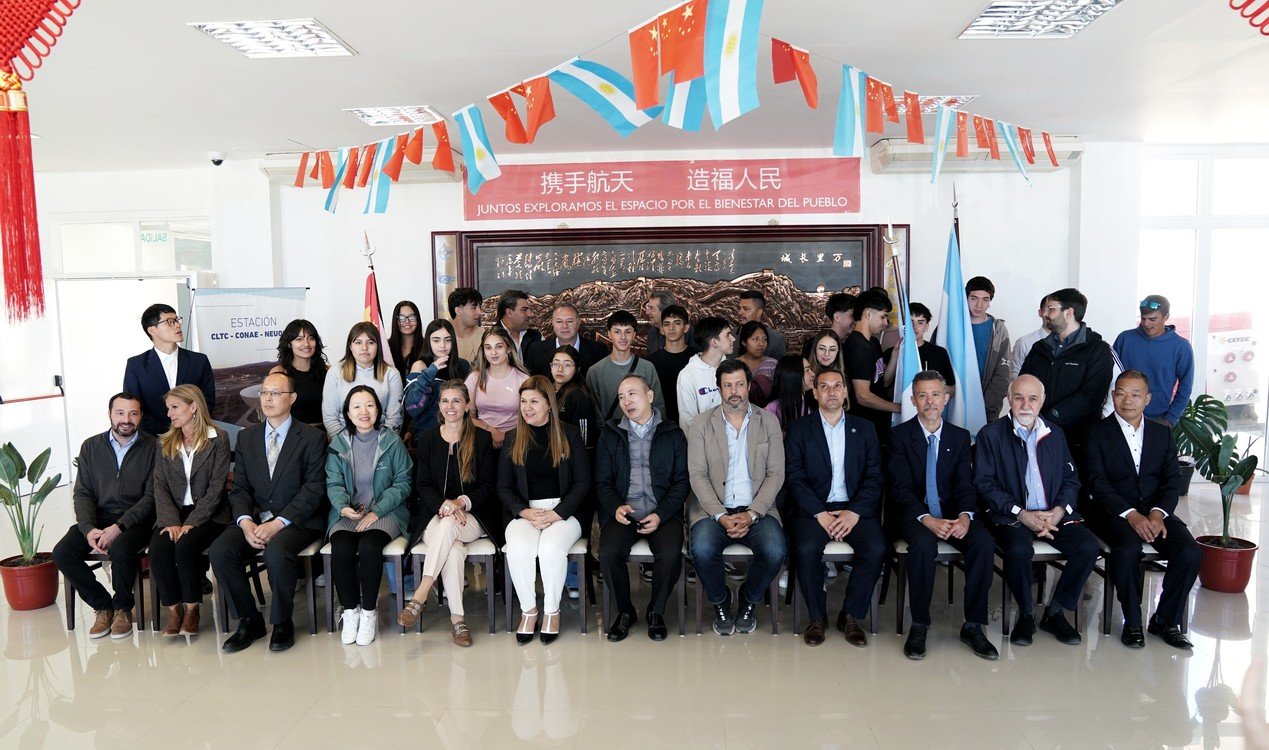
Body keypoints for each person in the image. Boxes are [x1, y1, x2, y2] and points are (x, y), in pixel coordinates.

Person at [975, 374, 1098, 646]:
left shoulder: (1055, 434)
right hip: (1012, 517)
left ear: (1042, 401)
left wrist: (1058, 512)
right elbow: (985, 484)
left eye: (1032, 398)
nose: (1025, 405)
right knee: (1019, 551)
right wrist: (1021, 513)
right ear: (1009, 400)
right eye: (1018, 397)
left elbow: (1070, 479)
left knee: (1088, 547)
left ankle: (1055, 612)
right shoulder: (991, 435)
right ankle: (1027, 615)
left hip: (1053, 516)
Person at [210, 372, 328, 653]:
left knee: (277, 552)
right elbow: (239, 488)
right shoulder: (248, 438)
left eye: (276, 393)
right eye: (264, 393)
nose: (268, 399)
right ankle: (250, 620)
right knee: (221, 551)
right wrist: (245, 521)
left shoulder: (312, 437)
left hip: (298, 520)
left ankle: (282, 622)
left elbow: (314, 489)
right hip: (256, 519)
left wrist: (278, 523)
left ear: (292, 398)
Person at [1083, 370, 1199, 649]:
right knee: (1127, 550)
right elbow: (1096, 482)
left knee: (1190, 552)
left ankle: (1165, 620)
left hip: (1155, 512)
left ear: (1147, 399)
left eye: (1135, 394)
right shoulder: (1096, 432)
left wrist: (1158, 514)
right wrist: (1131, 515)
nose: (1127, 400)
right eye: (1121, 393)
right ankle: (1132, 622)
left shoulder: (1162, 433)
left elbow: (1172, 480)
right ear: (1113, 396)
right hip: (1113, 512)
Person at [888, 371, 996, 660]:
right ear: (913, 400)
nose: (929, 401)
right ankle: (920, 624)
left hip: (951, 514)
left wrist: (964, 517)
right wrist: (927, 519)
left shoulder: (960, 437)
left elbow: (964, 484)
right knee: (923, 545)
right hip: (913, 515)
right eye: (922, 395)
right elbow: (899, 489)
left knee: (983, 542)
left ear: (946, 399)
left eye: (935, 394)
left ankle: (973, 625)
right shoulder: (898, 436)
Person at [784, 369, 885, 648]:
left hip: (854, 508)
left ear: (845, 392)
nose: (831, 392)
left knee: (876, 548)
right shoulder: (798, 429)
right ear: (814, 393)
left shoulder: (865, 428)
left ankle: (851, 615)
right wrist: (820, 514)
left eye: (837, 386)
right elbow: (794, 478)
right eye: (824, 387)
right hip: (813, 510)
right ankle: (817, 617)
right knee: (805, 549)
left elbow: (875, 477)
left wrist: (854, 512)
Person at [687, 360, 786, 637]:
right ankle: (720, 601)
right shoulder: (701, 424)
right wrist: (721, 515)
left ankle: (749, 599)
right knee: (703, 549)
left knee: (775, 550)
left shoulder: (769, 422)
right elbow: (697, 475)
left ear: (749, 386)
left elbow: (776, 474)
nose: (734, 391)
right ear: (719, 389)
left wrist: (752, 513)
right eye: (728, 385)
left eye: (739, 384)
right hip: (712, 511)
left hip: (758, 510)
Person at [399, 381, 499, 646]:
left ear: (467, 406)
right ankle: (458, 621)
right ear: (439, 406)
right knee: (452, 548)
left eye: (457, 401)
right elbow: (423, 484)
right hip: (437, 515)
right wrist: (445, 506)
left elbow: (488, 485)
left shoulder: (481, 439)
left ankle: (420, 593)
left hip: (472, 517)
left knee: (448, 528)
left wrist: (461, 503)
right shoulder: (428, 438)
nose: (450, 407)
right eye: (445, 401)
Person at [53, 392, 157, 640]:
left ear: (141, 416)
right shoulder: (91, 446)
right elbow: (83, 493)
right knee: (62, 552)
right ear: (110, 414)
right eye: (120, 412)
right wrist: (89, 528)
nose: (126, 419)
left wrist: (119, 526)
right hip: (98, 518)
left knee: (121, 549)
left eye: (133, 413)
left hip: (136, 520)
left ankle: (123, 608)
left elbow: (151, 498)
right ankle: (103, 606)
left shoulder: (154, 447)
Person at [595, 374, 690, 642]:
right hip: (624, 512)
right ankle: (625, 611)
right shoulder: (610, 434)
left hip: (662, 512)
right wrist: (615, 507)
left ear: (649, 396)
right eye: (621, 396)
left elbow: (682, 482)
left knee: (671, 552)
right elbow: (601, 481)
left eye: (632, 393)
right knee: (608, 551)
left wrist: (661, 514)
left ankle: (656, 611)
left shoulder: (673, 434)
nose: (626, 401)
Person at [499, 376, 591, 645]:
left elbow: (583, 482)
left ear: (549, 404)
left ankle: (552, 611)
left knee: (550, 549)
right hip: (526, 512)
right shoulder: (512, 437)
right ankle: (529, 610)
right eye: (523, 401)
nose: (527, 407)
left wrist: (558, 512)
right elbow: (503, 487)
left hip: (565, 512)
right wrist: (524, 512)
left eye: (534, 401)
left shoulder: (570, 433)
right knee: (517, 548)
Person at [325, 386, 412, 647]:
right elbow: (334, 483)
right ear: (348, 414)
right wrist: (343, 507)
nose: (364, 412)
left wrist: (376, 511)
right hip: (348, 512)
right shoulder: (338, 444)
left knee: (369, 546)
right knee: (341, 547)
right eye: (357, 407)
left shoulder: (392, 442)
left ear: (378, 409)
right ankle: (350, 612)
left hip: (386, 512)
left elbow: (403, 482)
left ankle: (369, 612)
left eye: (370, 405)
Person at [149, 385, 230, 638]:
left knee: (185, 547)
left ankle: (192, 608)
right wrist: (171, 520)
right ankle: (174, 609)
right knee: (159, 550)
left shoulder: (218, 438)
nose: (170, 414)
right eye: (168, 408)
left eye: (175, 407)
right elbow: (159, 485)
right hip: (172, 512)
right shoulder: (165, 441)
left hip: (209, 513)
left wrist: (192, 522)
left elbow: (217, 488)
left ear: (193, 407)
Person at [1020, 288, 1114, 451]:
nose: (1045, 314)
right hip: (1038, 436)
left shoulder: (1098, 350)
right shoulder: (1039, 348)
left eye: (1051, 309)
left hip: (1079, 441)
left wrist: (1048, 417)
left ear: (1068, 313)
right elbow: (1023, 383)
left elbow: (1091, 396)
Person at [123, 303, 215, 435]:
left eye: (177, 320)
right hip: (154, 441)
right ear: (153, 330)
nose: (178, 325)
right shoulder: (136, 365)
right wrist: (169, 433)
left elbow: (207, 402)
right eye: (170, 322)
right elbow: (134, 408)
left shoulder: (199, 361)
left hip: (194, 436)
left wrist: (188, 428)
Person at [1112, 295, 1194, 426]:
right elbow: (1110, 377)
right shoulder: (1125, 339)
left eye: (1152, 319)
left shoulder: (1181, 347)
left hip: (1159, 419)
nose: (1146, 323)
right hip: (1122, 416)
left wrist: (1170, 418)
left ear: (1166, 317)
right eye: (1143, 318)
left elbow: (1186, 386)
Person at [322, 322, 404, 439]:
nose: (364, 348)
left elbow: (395, 418)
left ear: (378, 346)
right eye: (358, 342)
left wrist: (382, 444)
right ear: (350, 346)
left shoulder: (391, 374)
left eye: (370, 342)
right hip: (344, 441)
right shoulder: (335, 373)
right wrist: (344, 445)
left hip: (382, 441)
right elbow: (330, 417)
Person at [586, 310, 666, 422]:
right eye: (617, 332)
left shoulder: (648, 367)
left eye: (627, 332)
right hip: (610, 433)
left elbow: (658, 406)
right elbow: (593, 412)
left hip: (643, 432)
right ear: (609, 334)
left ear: (634, 335)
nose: (623, 337)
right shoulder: (595, 371)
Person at [844, 290, 900, 445]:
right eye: (882, 316)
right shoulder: (857, 346)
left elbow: (884, 381)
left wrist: (895, 353)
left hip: (877, 426)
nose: (886, 322)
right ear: (868, 314)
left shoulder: (873, 343)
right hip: (862, 427)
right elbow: (863, 396)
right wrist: (897, 408)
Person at [464, 327, 530, 450]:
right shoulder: (474, 378)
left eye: (499, 347)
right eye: (488, 348)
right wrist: (492, 432)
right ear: (483, 351)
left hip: (515, 441)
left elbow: (529, 417)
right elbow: (467, 416)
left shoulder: (523, 379)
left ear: (509, 349)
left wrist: (507, 437)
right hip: (482, 438)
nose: (493, 353)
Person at [403, 319, 472, 434]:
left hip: (460, 432)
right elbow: (412, 408)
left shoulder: (463, 365)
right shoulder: (420, 366)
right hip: (427, 435)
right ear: (428, 342)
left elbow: (470, 404)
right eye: (436, 340)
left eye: (448, 340)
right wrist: (431, 371)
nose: (442, 345)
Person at [965, 276, 1011, 422]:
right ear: (965, 298)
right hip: (953, 405)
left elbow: (1003, 372)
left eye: (985, 299)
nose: (979, 305)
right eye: (974, 298)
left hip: (987, 409)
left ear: (990, 302)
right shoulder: (949, 327)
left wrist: (985, 405)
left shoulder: (999, 330)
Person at [677, 316, 733, 431]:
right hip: (703, 444)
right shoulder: (688, 375)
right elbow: (688, 421)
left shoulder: (733, 369)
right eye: (727, 335)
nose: (733, 339)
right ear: (714, 342)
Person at [270, 319, 329, 428]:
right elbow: (273, 411)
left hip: (326, 435)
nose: (306, 344)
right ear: (289, 343)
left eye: (311, 338)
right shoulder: (279, 373)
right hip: (293, 434)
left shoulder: (328, 371)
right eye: (299, 339)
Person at [524, 302, 606, 378]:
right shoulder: (536, 350)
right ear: (552, 323)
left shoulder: (599, 351)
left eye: (570, 321)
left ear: (578, 322)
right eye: (559, 321)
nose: (564, 326)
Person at [644, 304, 695, 424]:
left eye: (677, 323)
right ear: (661, 329)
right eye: (667, 324)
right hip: (661, 424)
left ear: (686, 327)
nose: (671, 328)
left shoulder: (697, 358)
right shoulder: (651, 362)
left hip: (694, 423)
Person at [550, 345, 601, 450]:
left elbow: (584, 440)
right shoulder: (546, 390)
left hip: (570, 456)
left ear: (577, 369)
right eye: (556, 364)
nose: (560, 369)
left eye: (567, 365)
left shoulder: (578, 396)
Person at [907, 303, 955, 397]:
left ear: (927, 327)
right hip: (900, 408)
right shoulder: (893, 352)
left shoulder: (939, 353)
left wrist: (931, 392)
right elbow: (885, 387)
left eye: (920, 322)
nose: (914, 327)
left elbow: (952, 389)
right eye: (910, 322)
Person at [765, 355, 815, 433]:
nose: (813, 374)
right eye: (807, 370)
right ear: (792, 375)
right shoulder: (772, 409)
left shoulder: (813, 401)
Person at [735, 321, 778, 406]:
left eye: (764, 339)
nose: (761, 344)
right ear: (744, 342)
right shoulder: (734, 365)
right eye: (755, 339)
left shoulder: (773, 364)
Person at [736, 290, 787, 358]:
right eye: (739, 308)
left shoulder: (776, 339)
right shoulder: (730, 335)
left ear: (759, 312)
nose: (740, 313)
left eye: (746, 309)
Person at [495, 289, 542, 359]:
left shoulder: (536, 336)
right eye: (524, 310)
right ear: (509, 312)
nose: (530, 314)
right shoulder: (491, 337)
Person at [1011, 297, 1048, 379]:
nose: (1051, 314)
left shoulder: (1068, 343)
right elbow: (1014, 373)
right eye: (1048, 309)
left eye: (1054, 310)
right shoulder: (1024, 342)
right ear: (1040, 312)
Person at [388, 300, 425, 382]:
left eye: (412, 317)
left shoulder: (427, 345)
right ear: (396, 321)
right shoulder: (386, 347)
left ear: (417, 319)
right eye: (402, 318)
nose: (407, 322)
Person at [448, 287, 486, 366]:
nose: (479, 312)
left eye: (480, 307)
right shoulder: (442, 336)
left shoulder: (485, 336)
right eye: (474, 307)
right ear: (458, 311)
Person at [643, 290, 677, 354]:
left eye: (651, 308)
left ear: (665, 311)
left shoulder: (685, 333)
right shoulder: (652, 333)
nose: (647, 312)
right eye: (648, 307)